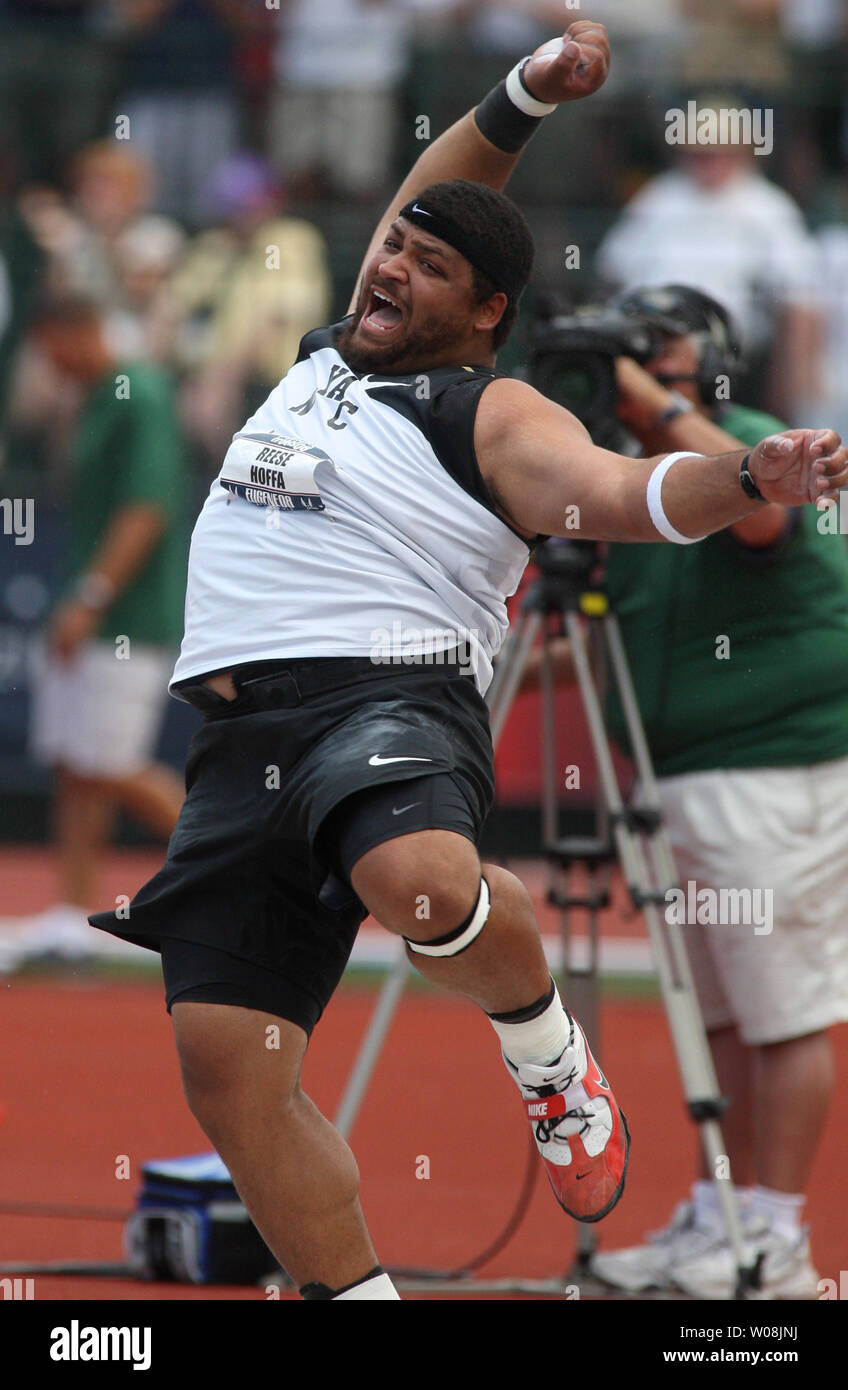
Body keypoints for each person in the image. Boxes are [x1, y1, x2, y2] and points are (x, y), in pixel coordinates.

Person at [88, 22, 848, 1302]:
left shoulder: (487, 409)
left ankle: (549, 1058)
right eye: (389, 244)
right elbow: (444, 186)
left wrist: (740, 474)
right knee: (230, 1069)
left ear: (484, 313)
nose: (389, 263)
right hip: (235, 745)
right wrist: (523, 91)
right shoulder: (332, 352)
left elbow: (616, 491)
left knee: (420, 878)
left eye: (426, 265)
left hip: (380, 697)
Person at [522, 285, 848, 1299]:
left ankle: (779, 1243)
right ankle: (722, 1220)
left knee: (782, 1015)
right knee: (716, 1017)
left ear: (698, 356)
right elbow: (598, 633)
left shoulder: (750, 439)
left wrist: (645, 404)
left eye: (644, 349)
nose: (622, 366)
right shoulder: (628, 475)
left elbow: (762, 529)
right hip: (681, 776)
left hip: (770, 765)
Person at [3, 296, 188, 962]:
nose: (47, 362)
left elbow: (147, 508)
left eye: (49, 344)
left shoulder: (139, 392)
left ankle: (247, 874)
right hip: (93, 613)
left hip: (126, 619)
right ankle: (70, 912)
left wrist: (90, 597)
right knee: (76, 767)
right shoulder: (98, 397)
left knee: (110, 765)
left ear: (72, 329)